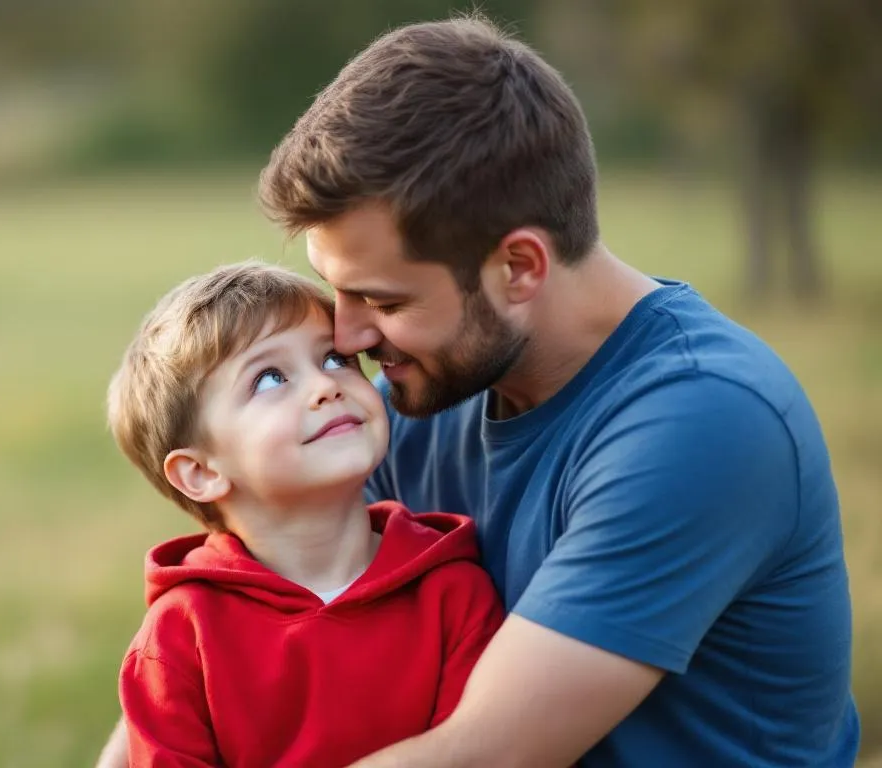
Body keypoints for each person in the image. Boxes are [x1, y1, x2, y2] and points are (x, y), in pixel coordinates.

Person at [97, 13, 859, 768]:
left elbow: (481, 754)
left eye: (383, 300)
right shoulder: (425, 389)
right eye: (337, 293)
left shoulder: (705, 421)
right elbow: (216, 632)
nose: (349, 340)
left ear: (518, 268)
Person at [105, 261, 504, 766]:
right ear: (201, 473)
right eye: (269, 379)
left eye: (335, 359)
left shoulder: (452, 590)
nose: (325, 386)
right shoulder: (180, 635)